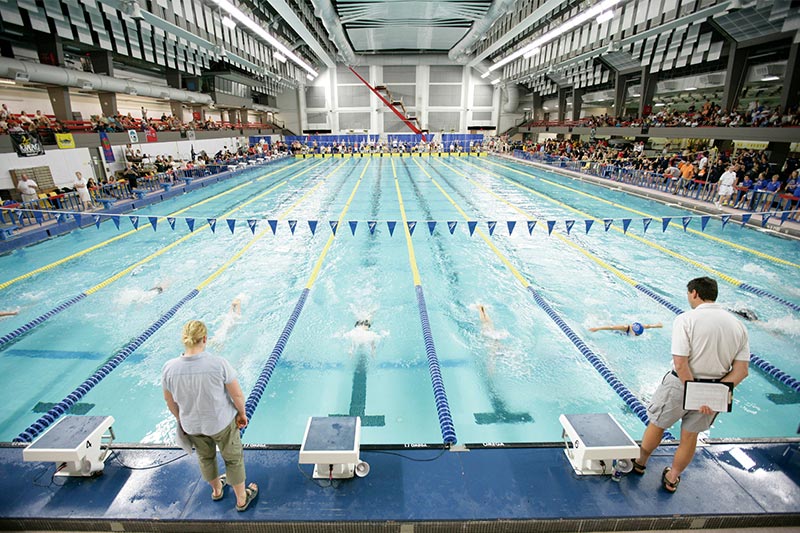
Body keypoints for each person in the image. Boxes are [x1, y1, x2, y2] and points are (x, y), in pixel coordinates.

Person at [634, 277, 749, 493]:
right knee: (690, 436)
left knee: (657, 424)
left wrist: (695, 394)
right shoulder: (738, 326)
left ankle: (640, 463)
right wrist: (712, 394)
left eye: (689, 294)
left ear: (694, 293)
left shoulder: (686, 319)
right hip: (716, 391)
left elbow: (681, 363)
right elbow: (741, 371)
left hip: (680, 385)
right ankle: (672, 477)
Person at [162, 320, 259, 511]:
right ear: (205, 339)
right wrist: (242, 413)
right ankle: (241, 498)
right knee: (233, 459)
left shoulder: (169, 368)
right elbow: (237, 394)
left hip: (192, 426)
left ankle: (216, 490)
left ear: (184, 340)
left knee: (205, 458)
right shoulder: (218, 363)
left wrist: (181, 420)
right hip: (220, 423)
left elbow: (169, 402)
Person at [589, 322, 662, 336]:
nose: (637, 336)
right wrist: (597, 328)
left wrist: (657, 325)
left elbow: (649, 326)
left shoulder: (641, 326)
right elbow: (611, 327)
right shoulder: (625, 328)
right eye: (636, 334)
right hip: (615, 331)